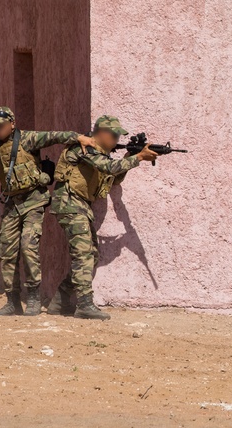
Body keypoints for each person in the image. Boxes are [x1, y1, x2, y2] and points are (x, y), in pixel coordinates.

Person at [0, 107, 94, 316]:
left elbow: (54, 136)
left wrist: (78, 137)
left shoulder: (27, 139)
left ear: (12, 123)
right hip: (12, 204)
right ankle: (12, 301)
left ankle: (34, 299)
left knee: (28, 245)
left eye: (2, 124)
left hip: (33, 201)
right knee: (6, 250)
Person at [47, 115, 156, 320]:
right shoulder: (84, 147)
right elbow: (108, 168)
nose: (116, 139)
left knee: (92, 256)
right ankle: (85, 305)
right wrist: (138, 157)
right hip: (69, 203)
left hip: (80, 206)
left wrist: (128, 158)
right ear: (101, 133)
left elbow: (113, 178)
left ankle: (60, 301)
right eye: (114, 135)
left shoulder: (101, 154)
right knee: (83, 255)